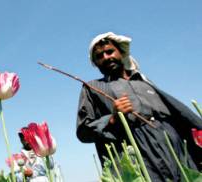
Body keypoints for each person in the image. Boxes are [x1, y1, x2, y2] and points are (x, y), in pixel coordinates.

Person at [76, 32, 202, 181]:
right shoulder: (93, 88)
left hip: (176, 151)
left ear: (121, 52)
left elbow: (180, 117)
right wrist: (113, 119)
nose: (106, 57)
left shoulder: (144, 82)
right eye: (99, 56)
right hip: (139, 156)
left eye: (109, 51)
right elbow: (83, 131)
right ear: (95, 63)